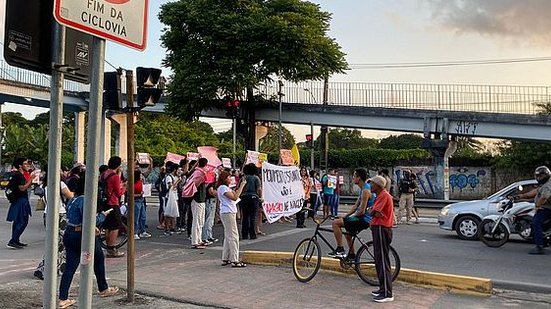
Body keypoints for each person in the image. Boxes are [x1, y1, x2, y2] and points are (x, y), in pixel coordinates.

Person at [58, 176, 119, 308]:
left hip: (70, 233)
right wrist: (102, 216)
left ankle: (63, 298)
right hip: (82, 236)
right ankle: (103, 288)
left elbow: (77, 220)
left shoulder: (73, 199)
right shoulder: (85, 200)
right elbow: (90, 220)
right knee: (98, 258)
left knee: (70, 267)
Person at [34, 171, 74, 280]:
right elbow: (70, 196)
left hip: (47, 214)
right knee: (60, 242)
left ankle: (51, 267)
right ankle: (46, 269)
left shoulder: (45, 185)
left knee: (53, 242)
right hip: (60, 214)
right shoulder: (60, 184)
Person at [328, 168, 374, 259]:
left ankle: (340, 249)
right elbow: (356, 206)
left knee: (335, 223)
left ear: (359, 178)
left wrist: (351, 216)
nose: (353, 178)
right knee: (348, 234)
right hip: (362, 218)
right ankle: (352, 255)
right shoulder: (363, 188)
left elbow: (362, 211)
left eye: (354, 176)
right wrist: (345, 216)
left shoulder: (365, 191)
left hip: (364, 219)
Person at [368, 175, 395, 303]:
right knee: (379, 259)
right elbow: (373, 211)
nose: (370, 186)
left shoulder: (383, 195)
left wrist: (372, 210)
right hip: (379, 228)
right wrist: (372, 211)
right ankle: (382, 288)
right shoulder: (381, 195)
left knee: (383, 260)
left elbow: (374, 211)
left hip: (381, 228)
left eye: (372, 184)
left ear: (378, 185)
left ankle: (387, 293)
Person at [516, 166, 551, 255]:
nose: (539, 178)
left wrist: (537, 206)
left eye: (541, 176)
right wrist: (522, 196)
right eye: (538, 176)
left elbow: (544, 197)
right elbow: (536, 191)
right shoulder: (546, 183)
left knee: (536, 222)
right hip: (546, 206)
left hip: (547, 208)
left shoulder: (547, 185)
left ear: (546, 175)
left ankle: (539, 246)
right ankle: (545, 240)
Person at [217, 170, 247, 267]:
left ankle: (226, 257)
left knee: (228, 236)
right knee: (234, 236)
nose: (230, 178)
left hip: (229, 212)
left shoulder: (225, 188)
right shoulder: (222, 188)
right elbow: (234, 197)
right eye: (228, 177)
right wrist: (242, 186)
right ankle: (235, 259)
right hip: (227, 212)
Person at [6, 158, 38, 249]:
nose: (27, 165)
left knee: (18, 221)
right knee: (22, 221)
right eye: (25, 164)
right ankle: (13, 240)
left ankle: (15, 240)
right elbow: (22, 188)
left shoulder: (18, 175)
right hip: (20, 200)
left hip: (19, 200)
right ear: (20, 166)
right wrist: (31, 180)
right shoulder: (19, 175)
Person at [100, 156, 127, 258]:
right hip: (113, 202)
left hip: (104, 202)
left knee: (107, 226)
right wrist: (124, 187)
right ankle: (111, 249)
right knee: (115, 226)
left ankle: (108, 246)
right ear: (118, 165)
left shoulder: (104, 174)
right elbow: (118, 192)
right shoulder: (115, 177)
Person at [188, 158, 208, 248]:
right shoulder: (198, 173)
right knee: (197, 220)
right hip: (197, 199)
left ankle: (198, 239)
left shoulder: (200, 173)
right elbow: (194, 184)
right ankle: (195, 241)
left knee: (200, 220)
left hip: (201, 199)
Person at [240, 163, 262, 239]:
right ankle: (252, 234)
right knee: (253, 217)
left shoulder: (243, 178)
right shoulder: (256, 178)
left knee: (245, 217)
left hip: (244, 197)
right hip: (254, 197)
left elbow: (239, 187)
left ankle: (244, 234)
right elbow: (259, 189)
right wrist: (260, 197)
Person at [133, 169, 151, 240]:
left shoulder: (141, 181)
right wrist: (138, 194)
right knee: (136, 217)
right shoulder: (133, 183)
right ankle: (135, 232)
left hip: (141, 200)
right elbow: (130, 195)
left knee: (143, 216)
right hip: (136, 200)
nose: (141, 176)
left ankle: (142, 231)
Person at [163, 162, 180, 235]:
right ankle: (167, 228)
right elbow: (170, 187)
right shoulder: (169, 177)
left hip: (175, 196)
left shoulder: (176, 177)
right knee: (168, 213)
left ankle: (173, 227)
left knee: (174, 212)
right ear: (175, 170)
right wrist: (177, 181)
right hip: (169, 197)